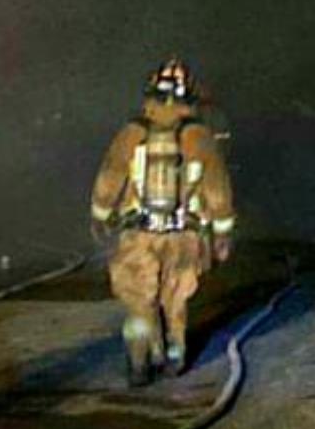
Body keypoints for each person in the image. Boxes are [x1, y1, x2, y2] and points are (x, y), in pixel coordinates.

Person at [89, 58, 236, 386]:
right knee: (175, 300)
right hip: (183, 239)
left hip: (137, 236)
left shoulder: (131, 133)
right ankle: (174, 356)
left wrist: (100, 215)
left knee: (138, 301)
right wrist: (222, 233)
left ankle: (140, 362)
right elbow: (217, 190)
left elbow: (109, 177)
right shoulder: (199, 136)